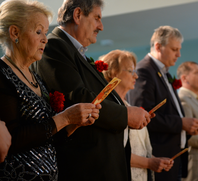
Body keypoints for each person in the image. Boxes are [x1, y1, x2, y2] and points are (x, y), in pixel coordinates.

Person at [31, 0, 151, 180]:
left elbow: (98, 98)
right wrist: (126, 115)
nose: (101, 26)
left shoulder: (76, 53)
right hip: (86, 167)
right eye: (97, 18)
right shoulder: (54, 46)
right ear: (78, 15)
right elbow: (78, 97)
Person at [0, 0, 101, 180]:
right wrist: (64, 118)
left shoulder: (35, 78)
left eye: (45, 32)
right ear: (15, 32)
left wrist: (74, 123)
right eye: (38, 31)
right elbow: (11, 139)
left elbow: (49, 137)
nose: (45, 39)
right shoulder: (2, 75)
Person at [128, 26, 198, 181]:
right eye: (174, 49)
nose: (179, 54)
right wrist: (181, 123)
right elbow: (144, 115)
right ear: (158, 46)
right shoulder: (144, 71)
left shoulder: (164, 72)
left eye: (179, 49)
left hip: (172, 155)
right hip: (157, 154)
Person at [102, 49, 174, 181]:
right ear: (113, 73)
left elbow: (137, 148)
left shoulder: (128, 107)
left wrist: (154, 160)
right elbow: (114, 152)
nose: (136, 76)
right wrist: (149, 163)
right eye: (131, 71)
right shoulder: (108, 109)